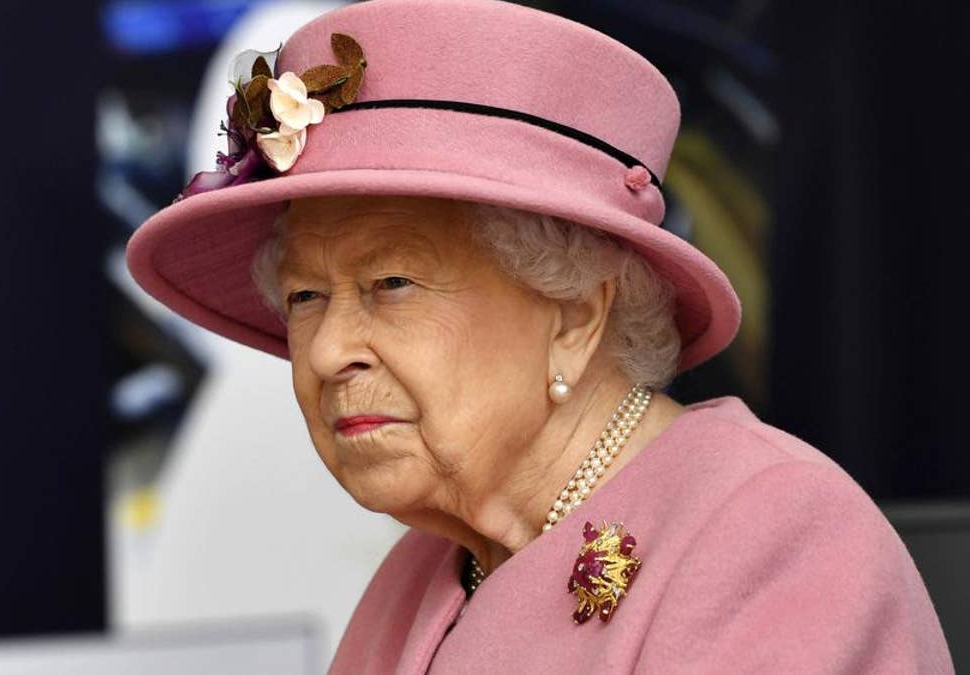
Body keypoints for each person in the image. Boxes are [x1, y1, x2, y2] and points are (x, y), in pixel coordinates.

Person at [125, 0, 955, 671]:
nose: (331, 348)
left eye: (392, 284)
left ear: (575, 314)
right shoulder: (424, 572)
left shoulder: (774, 544)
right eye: (306, 295)